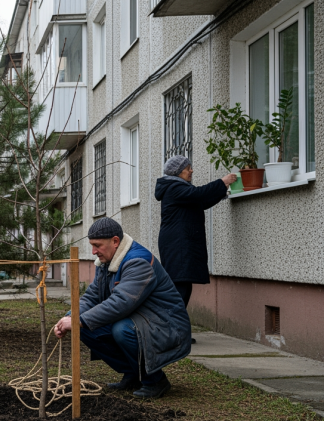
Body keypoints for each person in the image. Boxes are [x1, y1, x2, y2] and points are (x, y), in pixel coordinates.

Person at [53, 218, 191, 399]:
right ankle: (134, 374)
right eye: (92, 246)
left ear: (115, 241)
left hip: (166, 325)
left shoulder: (138, 262)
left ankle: (155, 380)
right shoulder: (107, 262)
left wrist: (79, 320)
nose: (94, 252)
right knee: (84, 329)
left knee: (121, 330)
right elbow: (93, 296)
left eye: (97, 245)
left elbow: (121, 302)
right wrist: (70, 317)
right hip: (141, 320)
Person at [154, 156, 236, 344]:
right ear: (177, 172)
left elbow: (200, 201)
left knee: (182, 286)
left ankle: (174, 332)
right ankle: (171, 333)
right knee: (180, 288)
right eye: (188, 168)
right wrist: (222, 182)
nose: (191, 171)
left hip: (179, 243)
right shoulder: (175, 188)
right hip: (178, 244)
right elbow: (199, 195)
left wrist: (222, 190)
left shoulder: (178, 189)